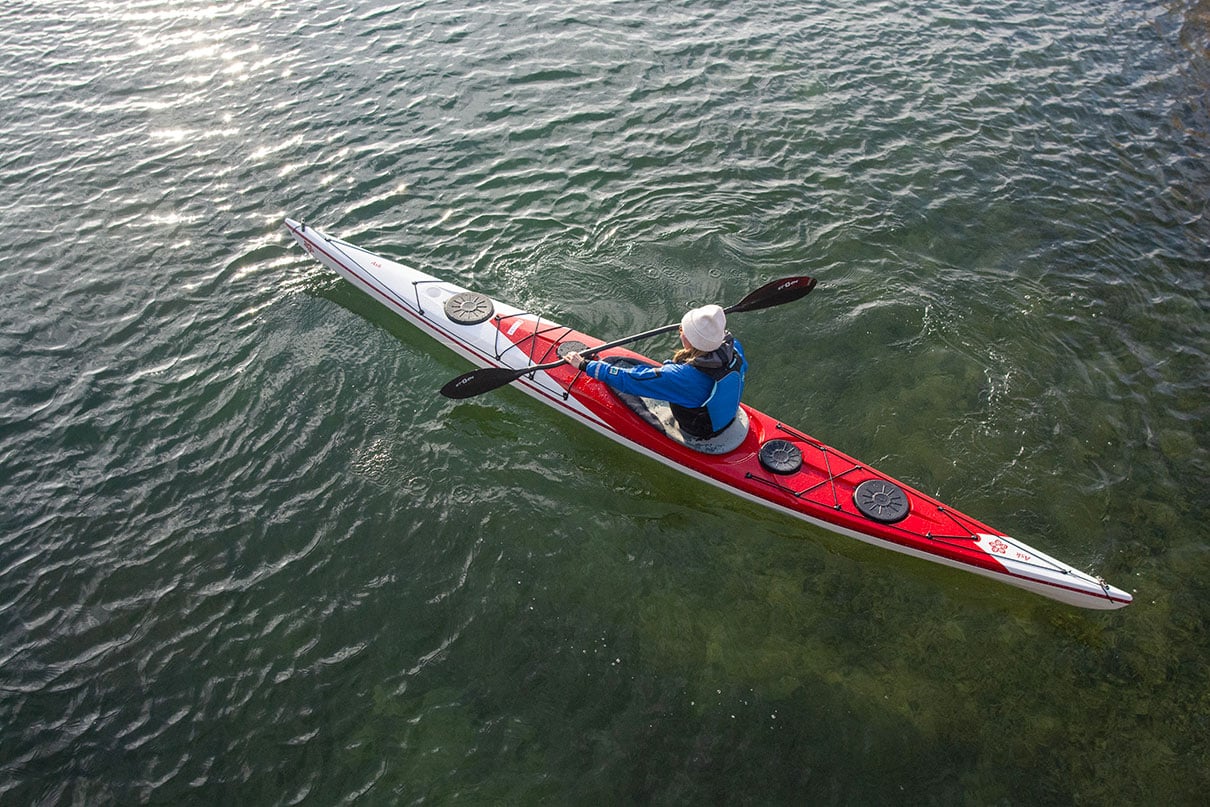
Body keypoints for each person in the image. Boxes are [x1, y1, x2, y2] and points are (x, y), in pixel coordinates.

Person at [563, 304, 747, 439]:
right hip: (725, 415)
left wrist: (586, 366)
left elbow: (631, 380)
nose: (680, 331)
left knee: (627, 386)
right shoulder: (734, 348)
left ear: (691, 340)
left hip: (699, 430)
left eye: (683, 330)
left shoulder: (680, 376)